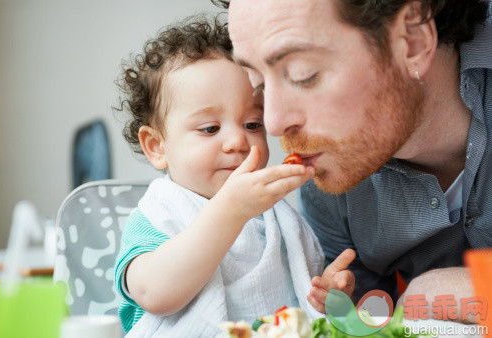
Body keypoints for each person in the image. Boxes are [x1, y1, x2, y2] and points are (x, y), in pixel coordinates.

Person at [220, 0, 492, 322]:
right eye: (260, 85)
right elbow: (369, 320)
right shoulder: (330, 176)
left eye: (303, 75)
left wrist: (439, 292)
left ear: (413, 41)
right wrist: (351, 310)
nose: (275, 122)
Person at [113, 16, 355, 337]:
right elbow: (156, 294)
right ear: (157, 146)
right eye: (210, 128)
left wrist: (326, 295)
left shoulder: (278, 217)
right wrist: (231, 210)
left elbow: (300, 294)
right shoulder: (158, 216)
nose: (238, 142)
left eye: (252, 124)